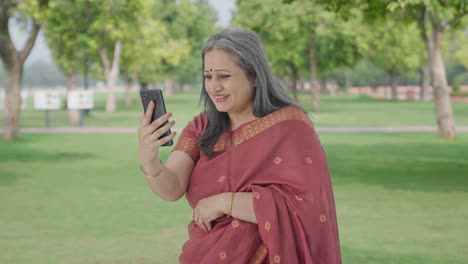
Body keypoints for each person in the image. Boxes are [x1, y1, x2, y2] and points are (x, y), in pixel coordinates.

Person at [137, 28, 342, 264]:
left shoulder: (290, 128)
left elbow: (306, 208)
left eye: (223, 76)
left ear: (254, 76)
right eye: (208, 76)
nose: (214, 87)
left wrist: (224, 202)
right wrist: (149, 158)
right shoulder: (203, 127)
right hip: (206, 255)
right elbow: (172, 188)